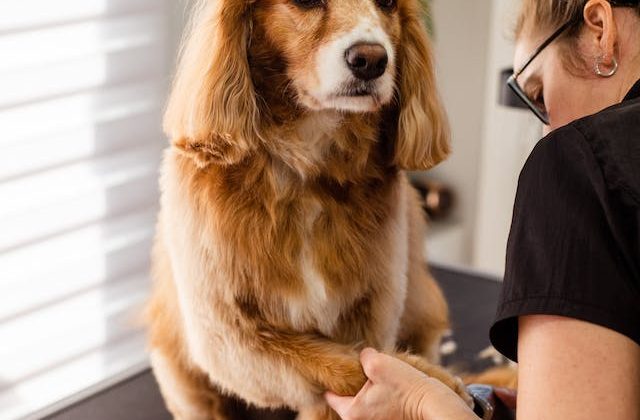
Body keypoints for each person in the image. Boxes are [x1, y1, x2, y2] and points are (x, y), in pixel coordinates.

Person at [324, 0, 640, 418]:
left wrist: (423, 404)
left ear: (601, 29)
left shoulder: (576, 159)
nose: (548, 129)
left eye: (538, 94)